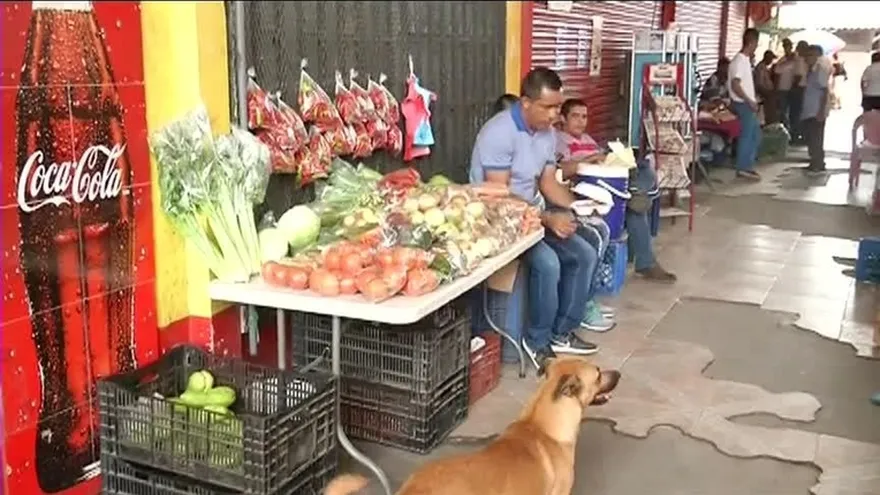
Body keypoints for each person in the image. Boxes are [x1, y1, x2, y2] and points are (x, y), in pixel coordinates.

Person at [470, 68, 601, 368]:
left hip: (531, 215)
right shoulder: (498, 133)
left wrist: (580, 205)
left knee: (585, 252)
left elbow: (548, 183)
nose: (556, 115)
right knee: (548, 262)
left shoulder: (547, 134)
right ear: (526, 103)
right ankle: (537, 341)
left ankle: (561, 332)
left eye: (558, 107)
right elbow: (498, 195)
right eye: (549, 108)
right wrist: (547, 219)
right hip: (498, 220)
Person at [556, 98, 675, 283]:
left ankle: (636, 191)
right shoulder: (558, 140)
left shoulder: (588, 139)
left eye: (584, 117)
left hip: (611, 182)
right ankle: (646, 264)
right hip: (588, 189)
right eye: (575, 116)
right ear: (562, 118)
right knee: (636, 208)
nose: (581, 121)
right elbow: (560, 170)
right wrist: (592, 159)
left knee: (644, 166)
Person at [728, 28, 762, 181]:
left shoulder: (746, 60)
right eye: (756, 43)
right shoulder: (739, 61)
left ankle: (748, 165)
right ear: (752, 42)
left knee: (755, 135)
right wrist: (749, 100)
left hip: (748, 102)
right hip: (743, 103)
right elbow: (736, 84)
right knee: (747, 136)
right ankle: (743, 167)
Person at [800, 44, 831, 175]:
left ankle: (818, 163)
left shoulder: (820, 70)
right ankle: (814, 162)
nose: (806, 58)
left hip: (816, 110)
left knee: (816, 137)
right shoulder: (811, 71)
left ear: (816, 56)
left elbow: (825, 91)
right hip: (809, 109)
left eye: (809, 55)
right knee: (811, 137)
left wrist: (821, 111)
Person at [774, 38, 798, 131]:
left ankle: (792, 130)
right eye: (785, 46)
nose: (786, 48)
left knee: (792, 112)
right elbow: (777, 73)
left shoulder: (796, 59)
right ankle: (785, 130)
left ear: (791, 47)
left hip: (793, 88)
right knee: (783, 111)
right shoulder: (782, 60)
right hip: (782, 89)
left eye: (788, 46)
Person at [755, 50, 778, 124]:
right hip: (765, 94)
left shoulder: (765, 67)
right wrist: (768, 94)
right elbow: (759, 84)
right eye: (771, 59)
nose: (771, 61)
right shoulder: (760, 67)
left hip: (768, 93)